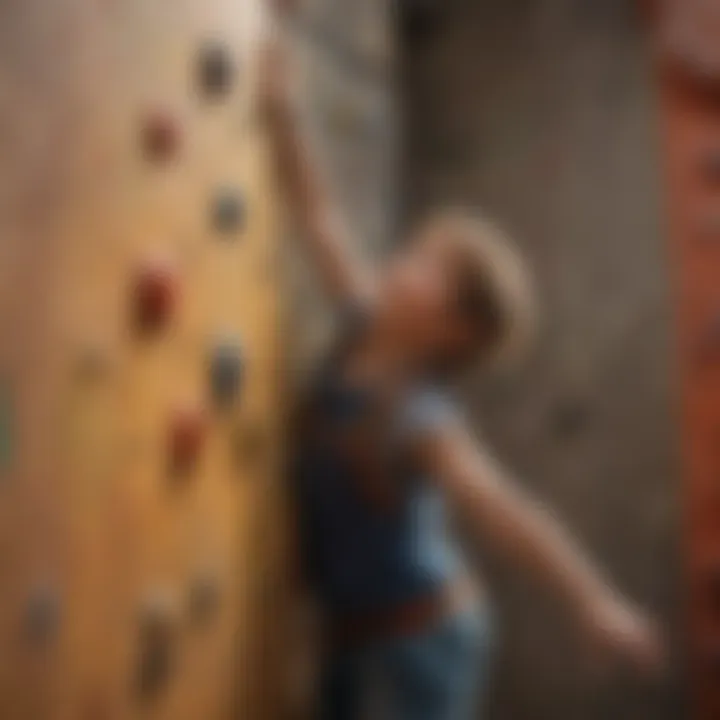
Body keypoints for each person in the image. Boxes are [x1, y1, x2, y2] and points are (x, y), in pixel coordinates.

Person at [259, 24, 663, 720]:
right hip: (353, 639)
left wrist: (593, 601)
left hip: (419, 642)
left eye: (425, 269)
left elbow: (509, 515)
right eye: (414, 250)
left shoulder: (420, 419)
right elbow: (319, 216)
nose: (399, 262)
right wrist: (284, 111)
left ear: (454, 330)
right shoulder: (360, 323)